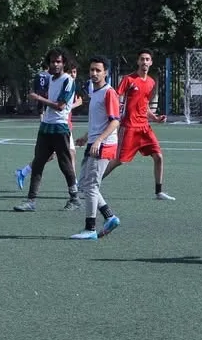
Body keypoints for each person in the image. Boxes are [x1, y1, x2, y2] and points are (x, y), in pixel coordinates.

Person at [101, 49, 175, 200]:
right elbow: (115, 97)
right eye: (142, 59)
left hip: (144, 127)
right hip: (129, 127)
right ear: (138, 62)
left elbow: (145, 105)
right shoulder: (128, 79)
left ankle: (159, 192)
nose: (145, 62)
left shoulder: (151, 82)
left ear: (151, 62)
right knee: (118, 161)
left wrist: (154, 118)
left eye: (147, 59)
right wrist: (116, 115)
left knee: (159, 157)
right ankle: (92, 183)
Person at [14, 48, 79, 212]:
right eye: (52, 61)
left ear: (64, 63)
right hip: (46, 127)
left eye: (58, 61)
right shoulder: (49, 79)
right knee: (38, 163)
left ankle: (74, 199)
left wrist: (39, 98)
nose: (55, 64)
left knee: (65, 165)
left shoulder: (68, 80)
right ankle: (31, 201)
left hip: (60, 127)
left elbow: (60, 106)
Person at [72, 57, 122, 240]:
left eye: (98, 70)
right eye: (92, 70)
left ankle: (90, 229)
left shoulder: (109, 93)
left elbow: (115, 121)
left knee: (91, 185)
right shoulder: (95, 92)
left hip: (103, 145)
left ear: (106, 72)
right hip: (94, 143)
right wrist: (86, 137)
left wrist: (98, 140)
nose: (94, 73)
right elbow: (98, 121)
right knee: (85, 184)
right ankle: (110, 217)